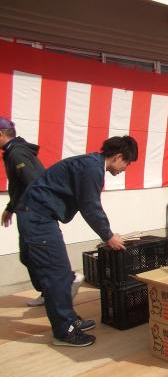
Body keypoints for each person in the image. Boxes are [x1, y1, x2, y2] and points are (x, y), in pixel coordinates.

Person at [16, 135, 138, 347]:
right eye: (127, 163)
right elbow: (90, 206)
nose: (125, 168)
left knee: (60, 273)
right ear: (118, 157)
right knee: (58, 276)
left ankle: (69, 320)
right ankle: (64, 331)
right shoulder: (92, 169)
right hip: (38, 219)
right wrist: (108, 236)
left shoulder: (91, 163)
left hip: (37, 216)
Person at [0, 116, 84, 308]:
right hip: (27, 211)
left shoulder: (17, 154)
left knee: (42, 256)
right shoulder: (13, 152)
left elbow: (34, 183)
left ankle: (68, 282)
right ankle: (49, 292)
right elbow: (19, 186)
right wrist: (10, 208)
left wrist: (33, 212)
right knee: (28, 256)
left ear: (2, 134)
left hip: (35, 215)